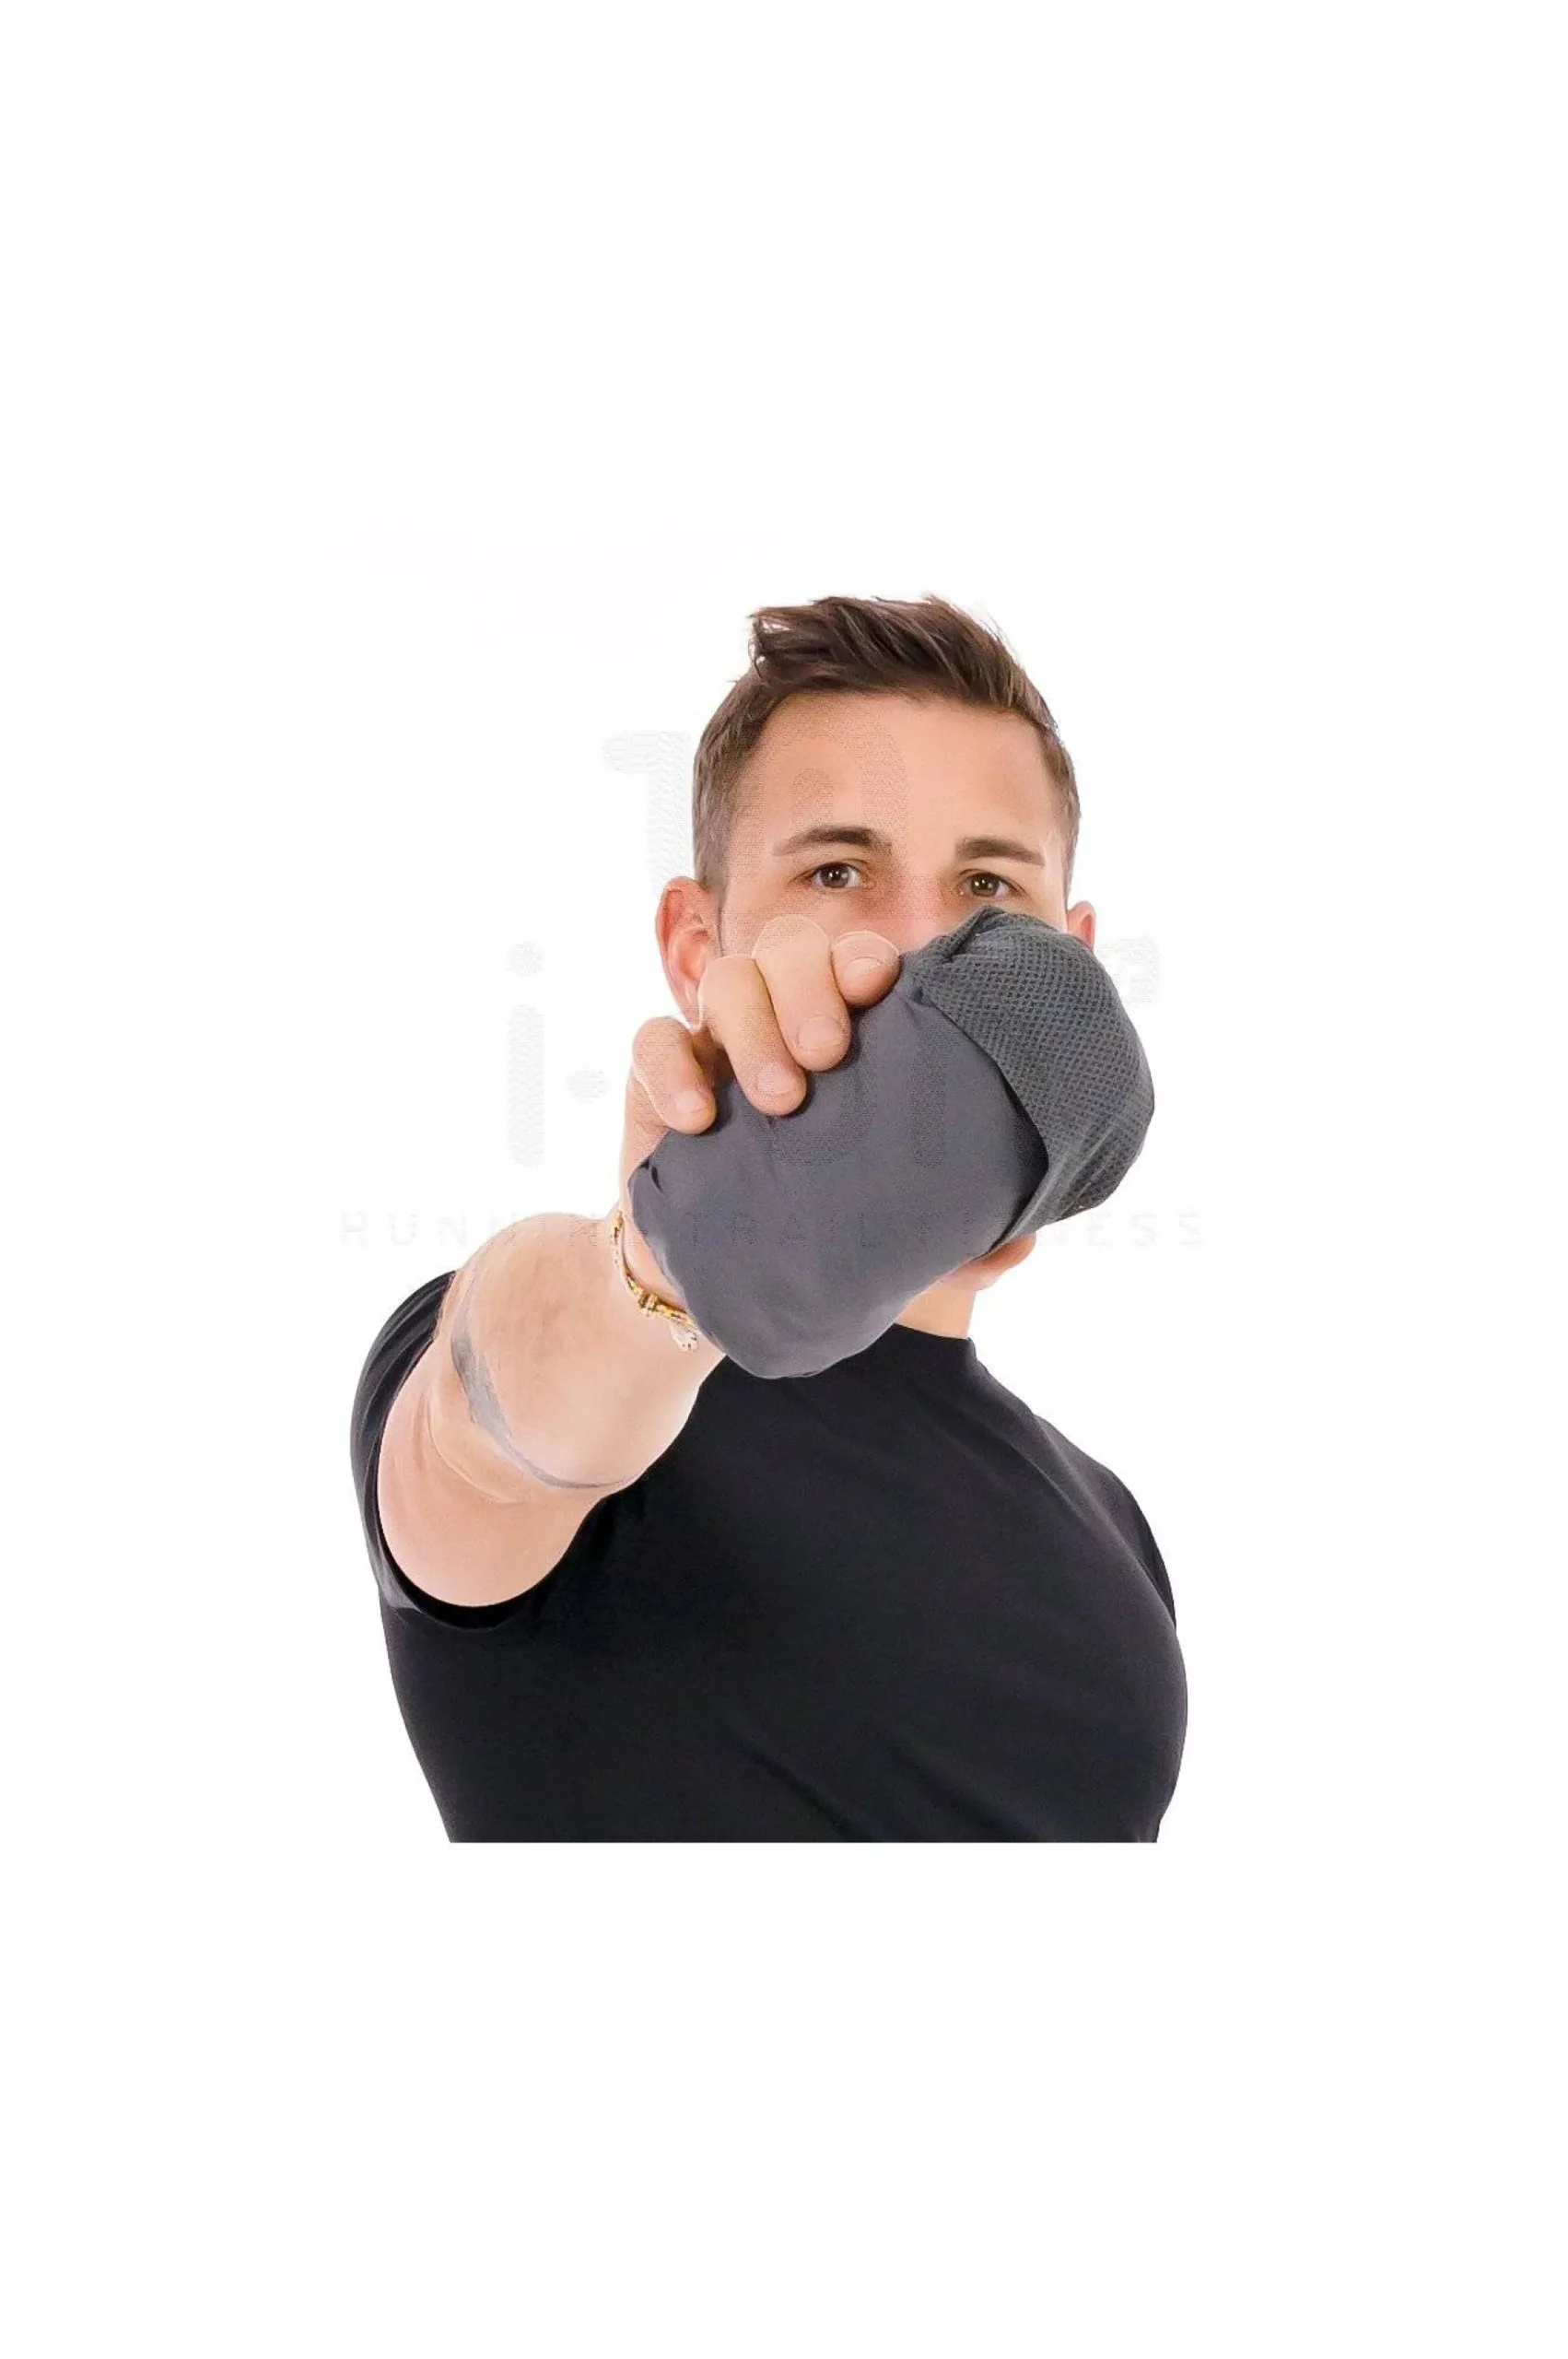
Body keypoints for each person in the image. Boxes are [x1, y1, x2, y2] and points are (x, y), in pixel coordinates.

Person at [348, 593, 1188, 1840]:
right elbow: (486, 1439)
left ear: (1072, 959)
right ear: (697, 948)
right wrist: (665, 1268)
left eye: (986, 886)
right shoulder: (570, 1368)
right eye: (836, 871)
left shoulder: (1106, 1520)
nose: (918, 945)